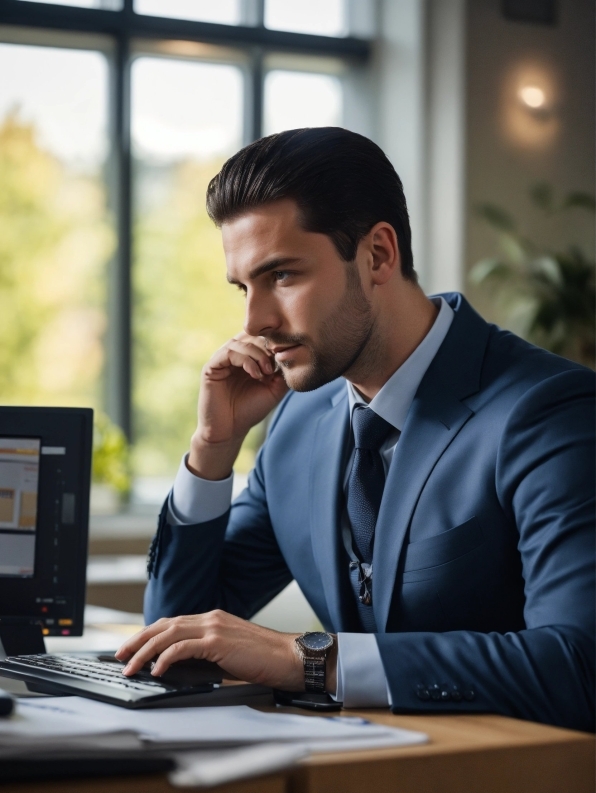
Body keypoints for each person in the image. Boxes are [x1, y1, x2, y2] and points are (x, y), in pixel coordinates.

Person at [116, 128, 595, 732]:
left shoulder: (549, 411)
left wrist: (309, 661)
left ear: (377, 256)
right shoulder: (295, 422)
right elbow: (176, 634)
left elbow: (580, 664)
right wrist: (211, 450)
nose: (255, 321)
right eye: (244, 287)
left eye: (283, 276)